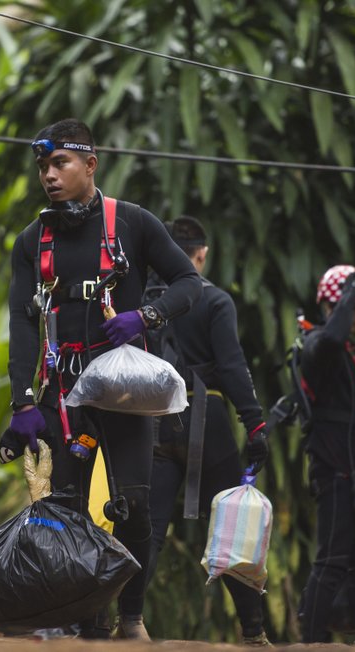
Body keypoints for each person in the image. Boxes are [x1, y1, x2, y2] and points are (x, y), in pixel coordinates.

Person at [4, 119, 201, 640]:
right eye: (43, 167)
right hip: (65, 397)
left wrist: (148, 317)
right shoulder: (33, 240)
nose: (49, 175)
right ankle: (87, 627)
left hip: (123, 391)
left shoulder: (132, 224)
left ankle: (131, 620)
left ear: (90, 165)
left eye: (60, 163)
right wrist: (21, 401)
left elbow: (190, 284)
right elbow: (21, 322)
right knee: (69, 511)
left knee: (133, 504)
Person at [141, 216, 270, 645]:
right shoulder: (215, 301)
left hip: (155, 422)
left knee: (149, 530)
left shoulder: (144, 304)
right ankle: (253, 631)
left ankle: (124, 621)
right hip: (207, 418)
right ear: (202, 253)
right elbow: (232, 368)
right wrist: (255, 423)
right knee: (230, 528)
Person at [295, 264, 355, 643]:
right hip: (333, 470)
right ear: (336, 307)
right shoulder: (318, 345)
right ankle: (312, 640)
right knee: (332, 559)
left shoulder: (352, 356)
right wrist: (350, 292)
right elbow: (330, 340)